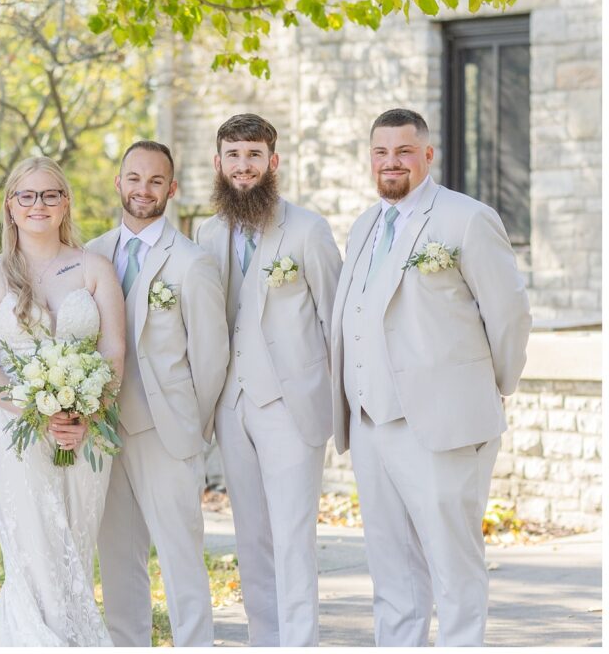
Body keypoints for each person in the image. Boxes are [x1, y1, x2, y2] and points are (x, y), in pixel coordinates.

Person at [330, 108, 531, 646]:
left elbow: (509, 315)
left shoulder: (465, 218)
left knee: (453, 565)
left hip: (443, 424)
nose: (390, 162)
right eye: (380, 152)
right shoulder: (365, 224)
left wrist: (492, 389)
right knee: (392, 572)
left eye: (402, 151)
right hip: (370, 423)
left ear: (427, 155)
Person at [0, 156, 126, 646]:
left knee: (74, 540)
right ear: (11, 206)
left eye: (50, 194)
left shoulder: (95, 267)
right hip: (13, 428)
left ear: (65, 203)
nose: (39, 204)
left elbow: (114, 351)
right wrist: (35, 407)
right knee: (33, 545)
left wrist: (85, 413)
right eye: (26, 196)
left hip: (87, 428)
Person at [195, 114, 341, 646]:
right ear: (218, 164)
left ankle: (299, 643)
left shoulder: (308, 229)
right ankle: (263, 638)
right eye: (232, 156)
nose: (243, 166)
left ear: (272, 162)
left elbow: (336, 321)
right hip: (230, 406)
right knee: (250, 536)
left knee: (293, 535)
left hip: (290, 404)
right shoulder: (206, 233)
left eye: (253, 155)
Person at [87, 141, 228, 646]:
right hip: (102, 434)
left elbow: (211, 359)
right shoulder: (90, 254)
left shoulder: (192, 263)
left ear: (172, 188)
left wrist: (191, 426)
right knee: (118, 559)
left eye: (154, 181)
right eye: (133, 178)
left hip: (167, 433)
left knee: (180, 558)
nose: (142, 190)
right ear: (118, 182)